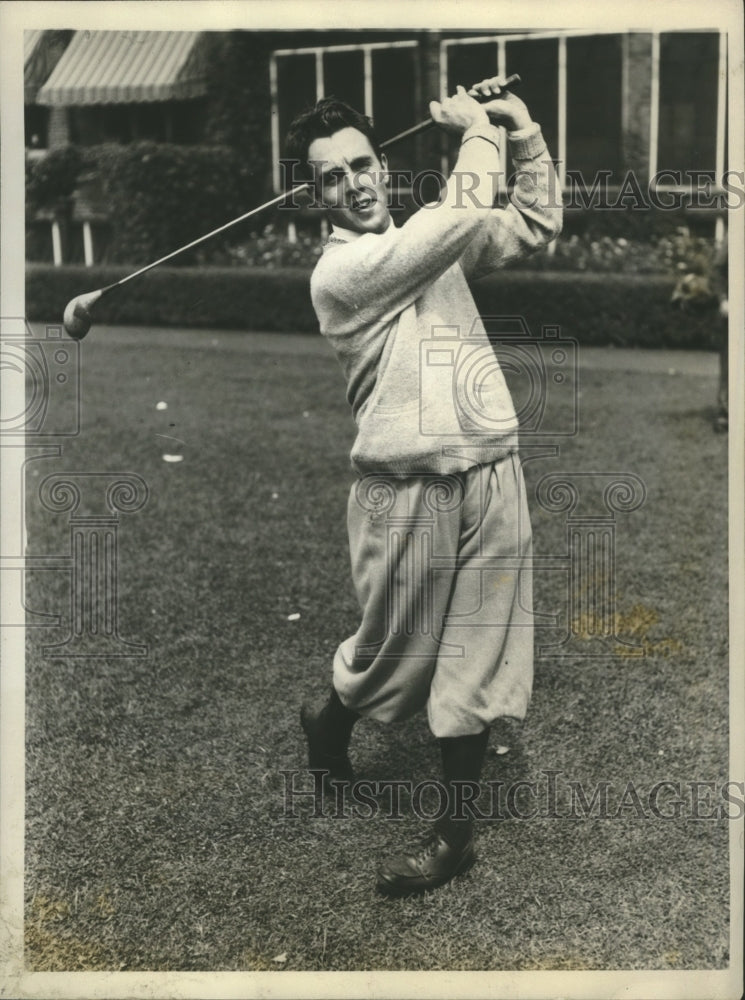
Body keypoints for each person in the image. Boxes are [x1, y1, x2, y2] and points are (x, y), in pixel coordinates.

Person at [285, 76, 563, 895]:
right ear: (315, 198)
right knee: (391, 662)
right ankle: (328, 714)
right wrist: (475, 129)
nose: (355, 184)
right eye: (332, 177)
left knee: (474, 661)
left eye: (362, 164)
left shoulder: (427, 240)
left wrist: (523, 136)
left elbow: (533, 225)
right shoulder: (344, 273)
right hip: (403, 491)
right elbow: (457, 214)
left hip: (492, 472)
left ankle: (453, 836)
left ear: (381, 165)